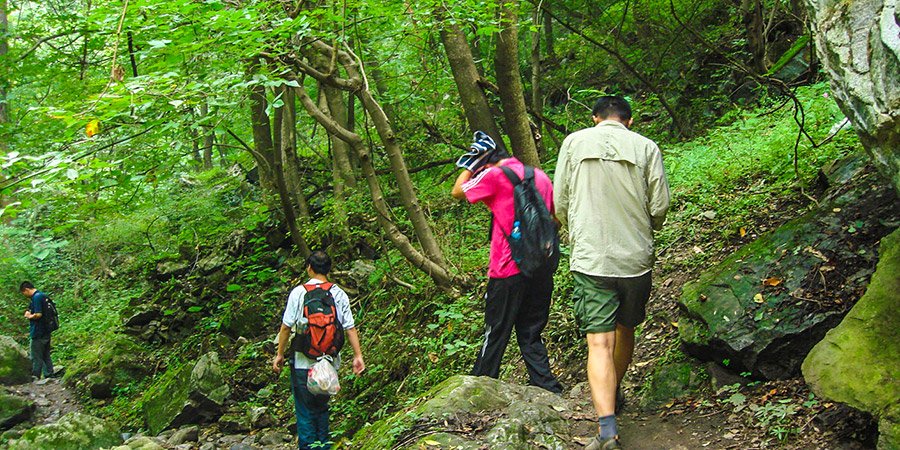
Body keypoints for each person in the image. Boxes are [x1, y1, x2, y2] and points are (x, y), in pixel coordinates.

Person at [554, 96, 671, 449]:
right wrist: (646, 228)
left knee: (598, 342)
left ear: (595, 119)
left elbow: (560, 201)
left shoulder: (574, 142)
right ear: (629, 121)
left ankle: (607, 430)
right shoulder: (646, 146)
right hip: (635, 259)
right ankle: (614, 390)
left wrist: (576, 230)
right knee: (626, 328)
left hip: (592, 259)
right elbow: (660, 204)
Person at [450, 131, 564, 394]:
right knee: (531, 332)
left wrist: (470, 165)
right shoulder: (541, 176)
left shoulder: (493, 176)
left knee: (496, 332)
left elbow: (458, 191)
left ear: (486, 164)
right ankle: (548, 389)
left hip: (506, 269)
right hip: (541, 266)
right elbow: (555, 218)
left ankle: (481, 388)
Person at [272, 251, 365, 450]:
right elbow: (349, 327)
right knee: (322, 410)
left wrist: (279, 354)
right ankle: (323, 446)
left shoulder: (298, 292)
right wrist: (358, 356)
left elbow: (286, 327)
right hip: (328, 363)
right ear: (329, 269)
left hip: (302, 362)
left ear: (309, 268)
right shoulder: (338, 293)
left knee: (305, 413)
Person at [20, 281, 55, 379]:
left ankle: (35, 375)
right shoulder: (43, 295)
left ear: (26, 290)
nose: (25, 295)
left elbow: (38, 314)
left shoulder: (36, 297)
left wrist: (29, 316)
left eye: (24, 293)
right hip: (46, 329)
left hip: (38, 330)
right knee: (45, 353)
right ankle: (49, 374)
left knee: (36, 354)